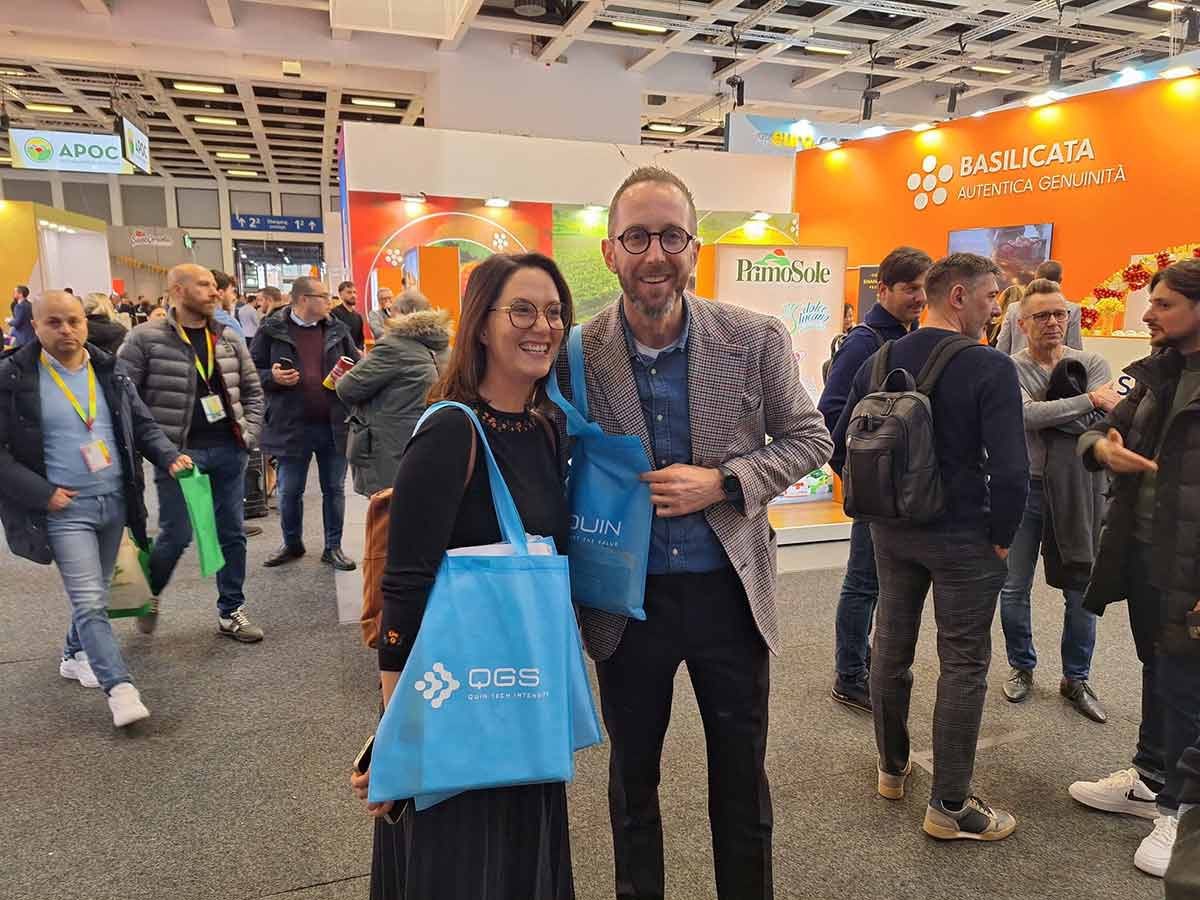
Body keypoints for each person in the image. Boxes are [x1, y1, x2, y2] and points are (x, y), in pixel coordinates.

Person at [562, 166, 831, 900]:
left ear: (695, 248)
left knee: (742, 783)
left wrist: (726, 481)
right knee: (632, 783)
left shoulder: (753, 337)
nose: (655, 254)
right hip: (627, 603)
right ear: (610, 251)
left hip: (728, 597)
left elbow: (811, 438)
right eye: (637, 237)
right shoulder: (577, 352)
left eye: (671, 236)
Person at [350, 252, 575, 900]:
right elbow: (403, 585)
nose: (542, 326)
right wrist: (398, 731)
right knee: (461, 867)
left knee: (519, 862)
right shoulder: (450, 430)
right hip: (456, 698)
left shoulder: (546, 428)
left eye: (553, 312)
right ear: (481, 325)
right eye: (522, 311)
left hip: (522, 691)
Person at [831, 252, 1028, 841]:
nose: (996, 309)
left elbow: (841, 441)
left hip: (891, 530)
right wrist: (1002, 540)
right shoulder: (990, 366)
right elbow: (1012, 471)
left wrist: (883, 505)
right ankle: (950, 806)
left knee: (891, 646)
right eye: (991, 296)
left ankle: (892, 769)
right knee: (963, 662)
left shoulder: (880, 358)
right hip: (965, 535)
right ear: (959, 295)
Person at [0, 291, 191, 727]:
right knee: (88, 599)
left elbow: (141, 424)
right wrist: (42, 493)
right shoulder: (12, 378)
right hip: (64, 509)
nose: (66, 330)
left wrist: (168, 456)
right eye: (54, 322)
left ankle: (74, 653)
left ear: (86, 323)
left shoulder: (109, 369)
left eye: (74, 321)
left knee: (98, 592)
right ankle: (120, 688)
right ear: (34, 324)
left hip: (115, 500)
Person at [1069, 258, 1200, 879]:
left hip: (1192, 565)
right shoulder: (1155, 373)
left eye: (1164, 304)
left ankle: (1183, 811)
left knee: (1187, 682)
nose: (1147, 314)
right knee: (1159, 665)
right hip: (1148, 551)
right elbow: (1097, 433)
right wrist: (1102, 448)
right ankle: (1151, 779)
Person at [118, 264, 266, 642]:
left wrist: (249, 434)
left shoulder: (228, 337)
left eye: (215, 285)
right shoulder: (144, 338)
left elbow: (252, 390)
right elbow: (125, 400)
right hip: (179, 456)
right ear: (178, 290)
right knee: (177, 534)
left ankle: (230, 611)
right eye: (203, 285)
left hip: (229, 449)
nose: (214, 291)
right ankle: (150, 593)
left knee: (232, 532)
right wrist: (162, 451)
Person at [999, 279, 1119, 722]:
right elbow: (1023, 416)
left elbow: (1100, 424)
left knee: (1081, 587)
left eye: (1059, 314)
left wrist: (1059, 412)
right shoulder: (1008, 368)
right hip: (1026, 490)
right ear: (1022, 323)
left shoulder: (1092, 362)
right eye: (1042, 315)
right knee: (1013, 588)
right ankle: (1022, 666)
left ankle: (1076, 678)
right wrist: (1087, 400)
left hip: (1080, 489)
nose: (1052, 322)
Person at [818, 246, 931, 713]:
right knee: (863, 581)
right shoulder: (864, 344)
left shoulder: (912, 337)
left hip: (903, 488)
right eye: (909, 288)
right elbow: (829, 414)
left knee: (883, 582)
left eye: (924, 288)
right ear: (882, 289)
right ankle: (849, 674)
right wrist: (858, 472)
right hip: (876, 489)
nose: (919, 297)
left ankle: (862, 660)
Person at [251, 276, 359, 571]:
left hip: (333, 424)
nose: (330, 301)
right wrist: (272, 377)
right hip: (290, 424)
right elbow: (251, 371)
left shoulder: (338, 328)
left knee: (334, 489)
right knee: (289, 491)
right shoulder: (271, 330)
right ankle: (291, 543)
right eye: (324, 296)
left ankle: (333, 547)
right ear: (303, 299)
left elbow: (358, 365)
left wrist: (349, 377)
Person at [335, 288, 450, 497]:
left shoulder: (393, 346)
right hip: (433, 441)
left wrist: (342, 376)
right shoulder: (444, 347)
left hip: (391, 448)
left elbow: (348, 389)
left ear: (400, 313)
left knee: (387, 511)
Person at [995, 260, 1083, 353]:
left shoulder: (1013, 308)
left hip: (1016, 362)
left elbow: (1002, 347)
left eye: (1059, 315)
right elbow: (1075, 349)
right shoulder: (1072, 309)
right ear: (1060, 280)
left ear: (1035, 277)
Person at [330, 281, 365, 352]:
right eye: (349, 292)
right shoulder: (334, 313)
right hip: (340, 355)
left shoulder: (358, 317)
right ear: (340, 294)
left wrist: (360, 350)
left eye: (354, 292)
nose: (353, 295)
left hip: (356, 355)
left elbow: (360, 339)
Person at [212, 271, 245, 341]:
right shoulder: (231, 324)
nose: (234, 297)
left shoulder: (199, 320)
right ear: (220, 294)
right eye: (232, 292)